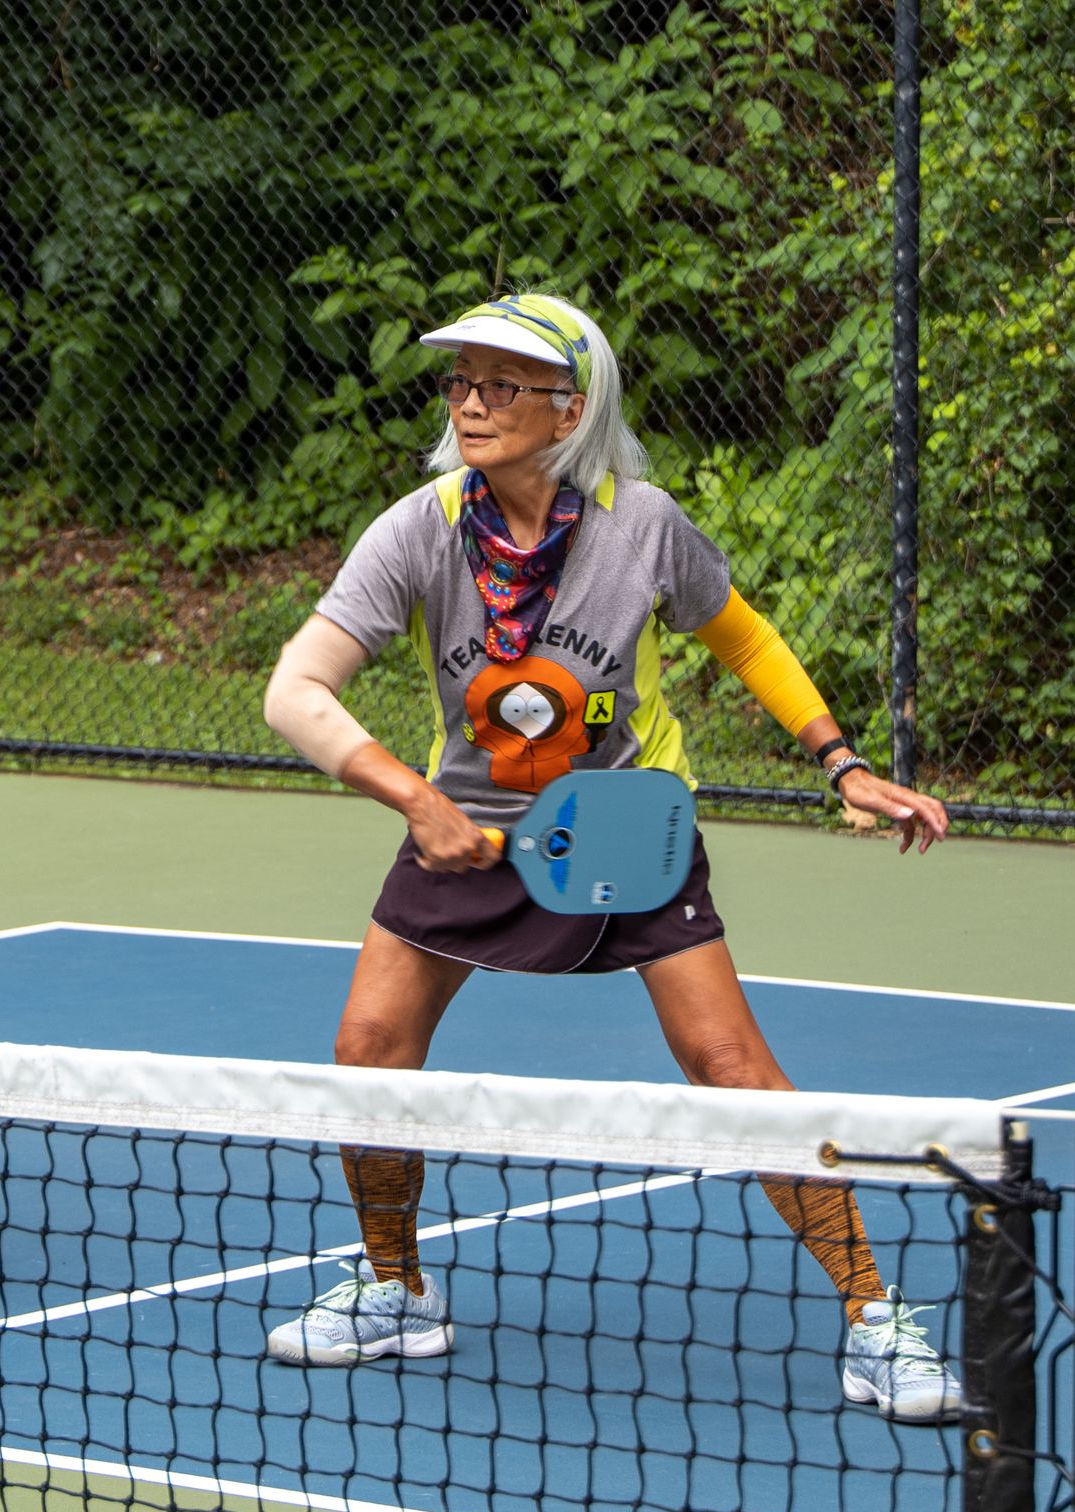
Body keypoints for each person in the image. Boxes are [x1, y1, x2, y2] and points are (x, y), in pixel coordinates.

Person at [259, 292, 961, 1423]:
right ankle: (396, 1290)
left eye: (502, 384)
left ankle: (876, 1319)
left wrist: (837, 761)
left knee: (729, 1065)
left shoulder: (642, 526)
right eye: (460, 383)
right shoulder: (418, 529)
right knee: (366, 1051)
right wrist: (411, 799)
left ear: (568, 408)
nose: (472, 403)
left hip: (630, 825)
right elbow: (293, 690)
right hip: (467, 824)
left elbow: (740, 632)